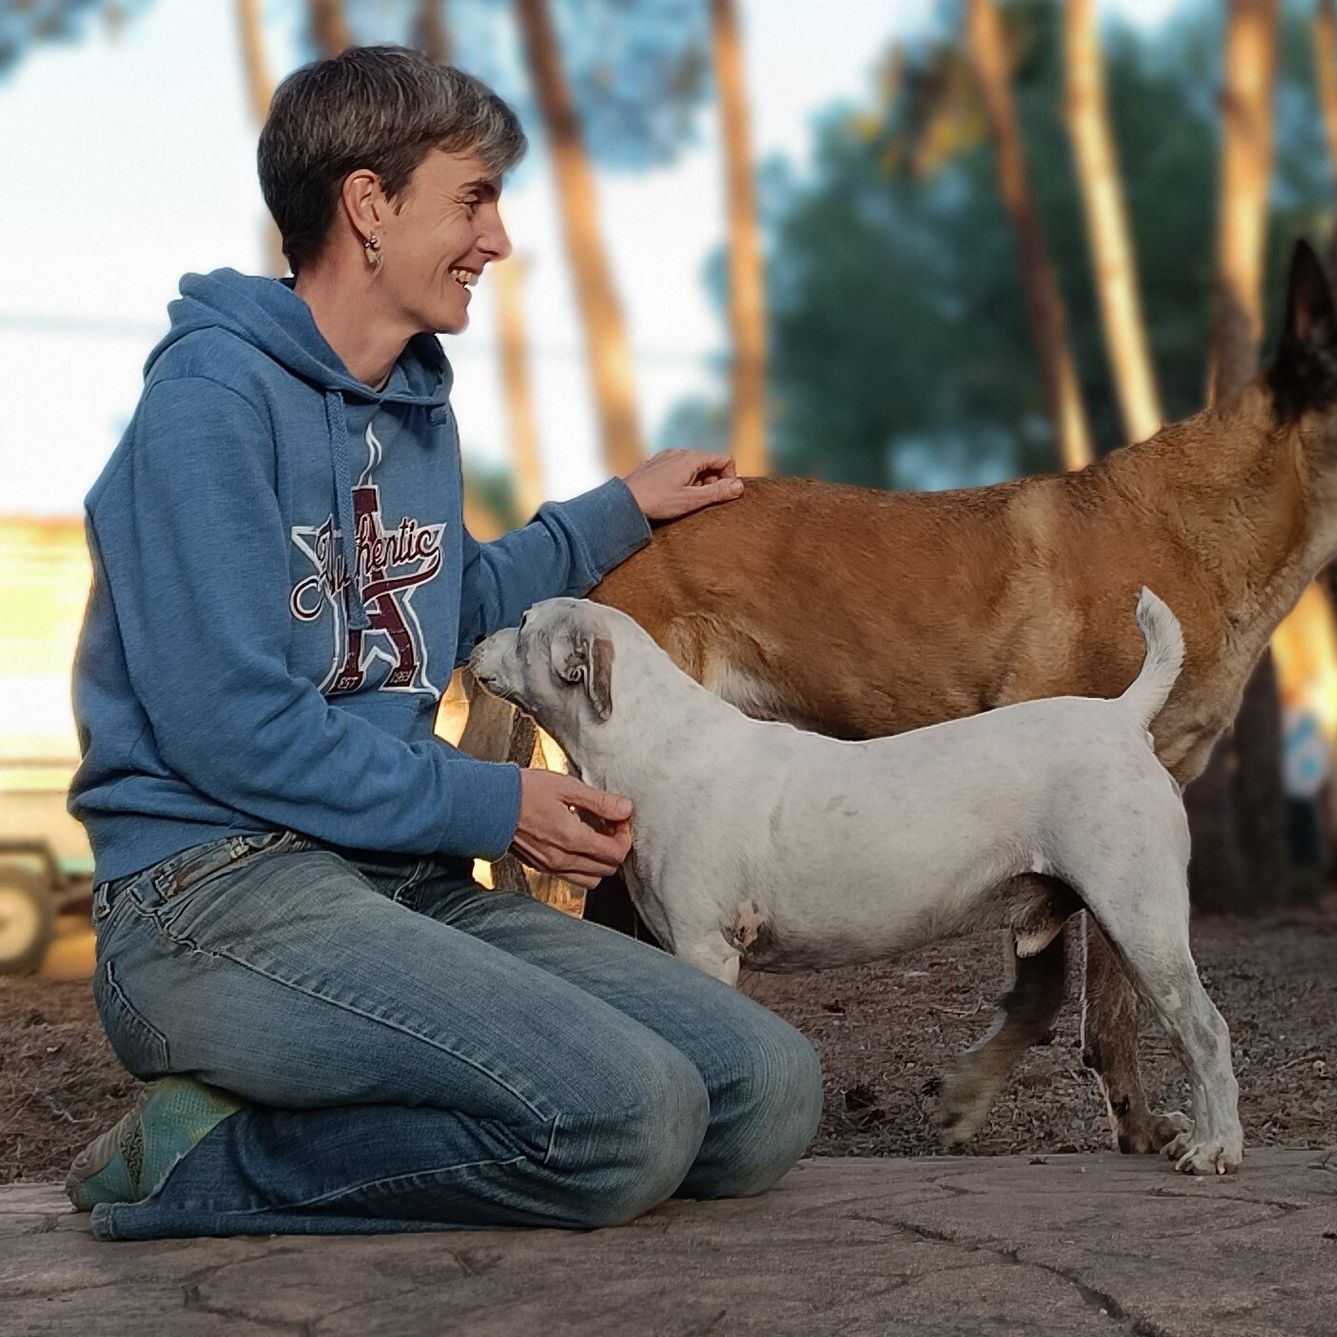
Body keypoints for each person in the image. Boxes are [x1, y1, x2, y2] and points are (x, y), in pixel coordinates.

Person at [64, 45, 821, 1241]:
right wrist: (492, 802)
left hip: (400, 879)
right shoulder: (207, 404)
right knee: (626, 1117)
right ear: (369, 204)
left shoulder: (416, 404)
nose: (500, 238)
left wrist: (619, 507)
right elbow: (234, 726)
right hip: (210, 894)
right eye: (473, 198)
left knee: (765, 1093)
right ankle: (203, 1153)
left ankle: (339, 1090)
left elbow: (444, 604)